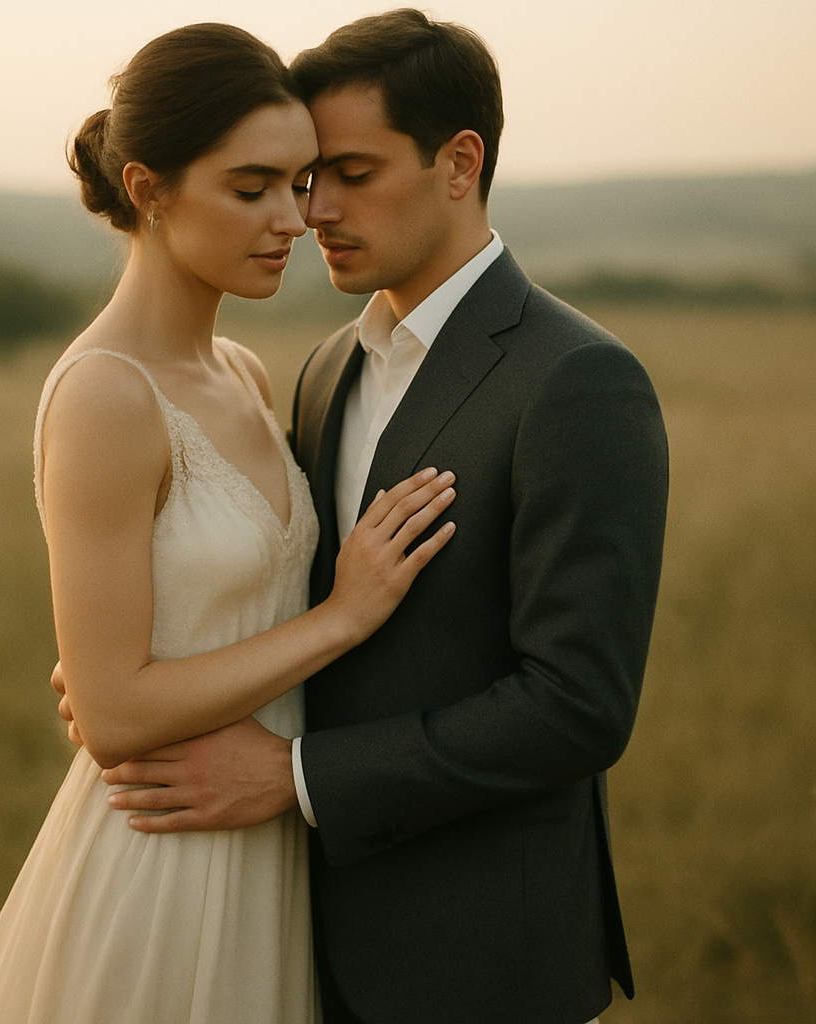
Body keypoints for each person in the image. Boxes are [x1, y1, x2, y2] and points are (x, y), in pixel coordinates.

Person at [86, 10, 670, 1024]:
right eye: (304, 177)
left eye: (351, 172)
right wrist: (150, 675)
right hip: (299, 936)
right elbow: (293, 592)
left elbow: (579, 702)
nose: (314, 210)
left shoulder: (577, 380)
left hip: (481, 956)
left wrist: (298, 776)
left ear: (459, 161)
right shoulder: (325, 369)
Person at [0, 23, 457, 1024]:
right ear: (148, 188)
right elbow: (113, 716)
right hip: (161, 861)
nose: (293, 218)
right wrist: (341, 619)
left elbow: (191, 626)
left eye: (302, 181)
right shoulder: (105, 395)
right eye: (251, 186)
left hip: (268, 842)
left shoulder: (244, 373)